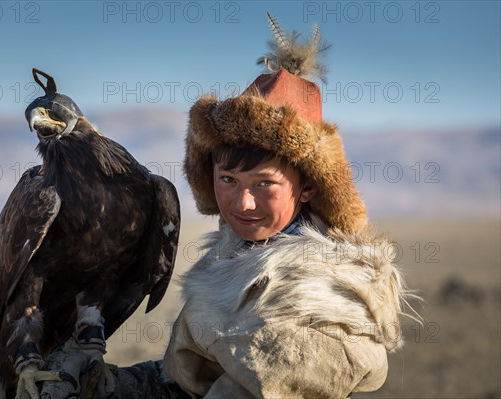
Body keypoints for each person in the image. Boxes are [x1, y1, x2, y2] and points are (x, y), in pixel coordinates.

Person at [42, 16, 411, 399]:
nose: (242, 203)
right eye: (228, 180)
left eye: (264, 183)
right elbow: (191, 385)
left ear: (308, 188)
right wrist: (109, 387)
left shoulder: (322, 304)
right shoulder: (237, 253)